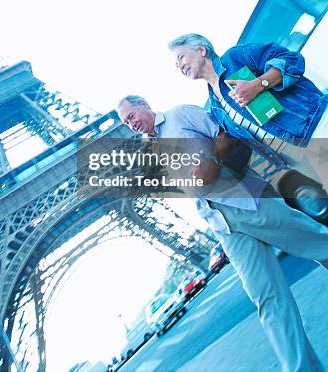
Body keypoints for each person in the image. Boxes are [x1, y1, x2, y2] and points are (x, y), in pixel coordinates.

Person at [117, 95, 328, 372]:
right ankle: (302, 368)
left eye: (131, 115)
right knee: (265, 297)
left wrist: (212, 163)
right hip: (221, 224)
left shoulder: (181, 114)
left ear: (144, 104)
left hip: (248, 201)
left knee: (318, 243)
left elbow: (226, 132)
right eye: (125, 122)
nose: (130, 123)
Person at [167, 33, 328, 192]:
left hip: (316, 125)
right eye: (176, 65)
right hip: (298, 154)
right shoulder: (215, 107)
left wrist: (258, 84)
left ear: (202, 50)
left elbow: (292, 60)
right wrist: (210, 160)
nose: (180, 66)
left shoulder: (235, 57)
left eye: (181, 57)